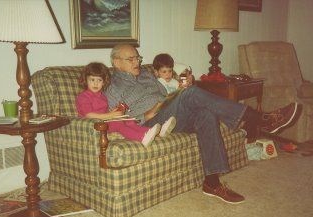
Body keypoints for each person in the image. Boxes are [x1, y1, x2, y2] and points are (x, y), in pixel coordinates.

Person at [105, 44, 299, 204]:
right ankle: (260, 119)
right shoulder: (112, 86)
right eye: (131, 59)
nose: (137, 62)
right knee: (191, 95)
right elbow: (115, 117)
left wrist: (183, 85)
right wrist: (145, 115)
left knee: (205, 112)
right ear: (116, 62)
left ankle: (212, 182)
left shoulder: (147, 75)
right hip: (149, 123)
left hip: (170, 112)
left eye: (137, 58)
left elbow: (167, 91)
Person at [75, 62, 176, 147]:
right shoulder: (84, 97)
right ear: (85, 80)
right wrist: (110, 116)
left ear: (104, 82)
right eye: (92, 80)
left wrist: (115, 112)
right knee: (118, 124)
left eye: (99, 80)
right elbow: (88, 115)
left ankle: (157, 132)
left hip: (105, 121)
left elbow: (105, 112)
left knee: (129, 120)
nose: (96, 84)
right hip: (93, 126)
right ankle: (142, 138)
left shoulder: (102, 96)